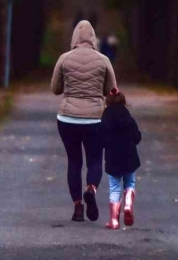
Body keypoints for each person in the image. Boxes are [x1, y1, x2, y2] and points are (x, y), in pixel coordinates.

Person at [51, 20, 117, 223]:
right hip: (95, 119)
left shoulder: (64, 58)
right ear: (93, 38)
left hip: (67, 118)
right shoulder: (103, 59)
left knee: (74, 162)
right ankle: (91, 188)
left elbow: (56, 89)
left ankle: (78, 207)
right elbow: (112, 91)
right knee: (95, 160)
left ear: (74, 38)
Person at [101, 88, 141, 229]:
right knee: (130, 183)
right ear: (123, 101)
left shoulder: (105, 117)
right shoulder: (128, 116)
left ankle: (114, 220)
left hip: (113, 158)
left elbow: (101, 138)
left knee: (114, 188)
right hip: (129, 156)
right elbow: (137, 137)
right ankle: (128, 204)